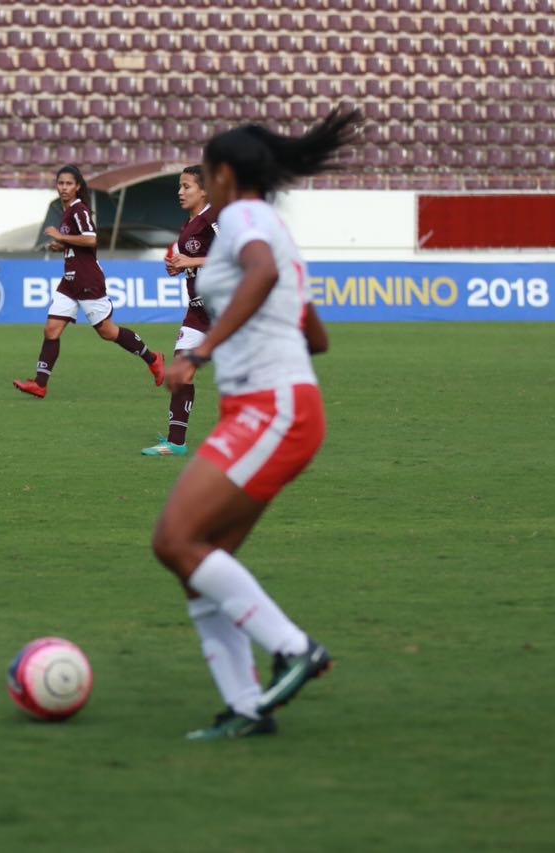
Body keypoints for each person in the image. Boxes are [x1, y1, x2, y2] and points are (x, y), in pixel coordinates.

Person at [151, 106, 363, 740]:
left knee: (175, 541)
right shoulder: (272, 225)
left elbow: (264, 276)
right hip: (272, 405)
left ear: (222, 173)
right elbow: (314, 333)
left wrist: (203, 350)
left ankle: (295, 648)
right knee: (200, 558)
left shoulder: (241, 216)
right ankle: (246, 705)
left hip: (272, 409)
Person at [13, 165, 164, 398]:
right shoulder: (67, 212)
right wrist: (62, 246)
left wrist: (62, 237)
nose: (63, 188)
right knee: (51, 329)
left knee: (107, 332)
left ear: (77, 187)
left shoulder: (79, 210)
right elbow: (78, 242)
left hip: (87, 279)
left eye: (68, 184)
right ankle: (40, 384)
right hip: (70, 279)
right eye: (60, 183)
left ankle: (153, 358)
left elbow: (91, 240)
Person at [142, 166, 216, 457]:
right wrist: (179, 265)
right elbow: (193, 261)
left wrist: (192, 262)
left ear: (204, 190)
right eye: (180, 186)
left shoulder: (214, 219)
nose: (180, 192)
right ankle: (176, 442)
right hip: (198, 312)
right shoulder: (189, 224)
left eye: (186, 186)